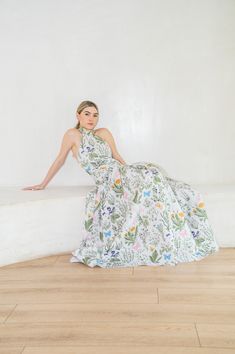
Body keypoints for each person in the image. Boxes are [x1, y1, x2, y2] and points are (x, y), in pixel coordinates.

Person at [22, 100, 220, 268]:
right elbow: (60, 160)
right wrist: (42, 183)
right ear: (78, 115)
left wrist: (130, 172)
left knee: (153, 175)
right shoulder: (72, 135)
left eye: (95, 115)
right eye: (87, 114)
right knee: (150, 179)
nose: (92, 118)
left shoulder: (104, 133)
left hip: (119, 172)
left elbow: (117, 157)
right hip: (105, 178)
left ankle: (174, 234)